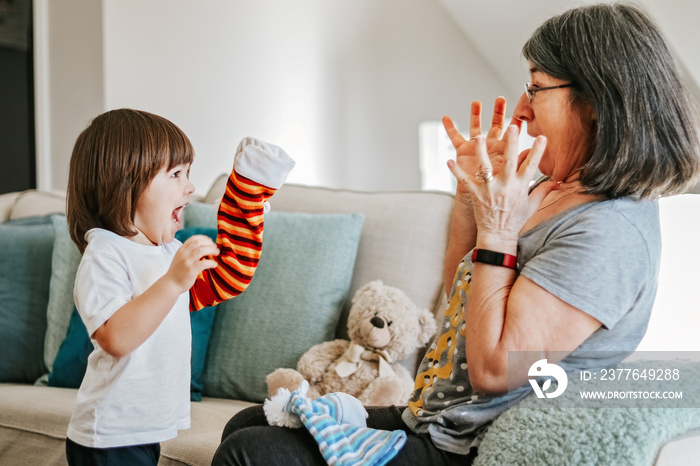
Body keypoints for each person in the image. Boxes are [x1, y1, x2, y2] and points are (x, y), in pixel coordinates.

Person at [212, 3, 700, 465]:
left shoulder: (610, 231)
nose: (521, 112)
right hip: (434, 421)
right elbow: (462, 298)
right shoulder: (551, 188)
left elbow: (493, 370)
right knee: (251, 422)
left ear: (594, 102)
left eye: (536, 88)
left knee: (251, 452)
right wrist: (473, 196)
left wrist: (498, 225)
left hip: (465, 447)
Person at [64, 108, 295, 465]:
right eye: (176, 174)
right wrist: (173, 281)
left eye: (188, 173)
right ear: (125, 183)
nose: (190, 186)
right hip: (110, 432)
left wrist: (246, 197)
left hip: (146, 428)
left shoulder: (167, 251)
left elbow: (228, 278)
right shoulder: (105, 253)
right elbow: (115, 338)